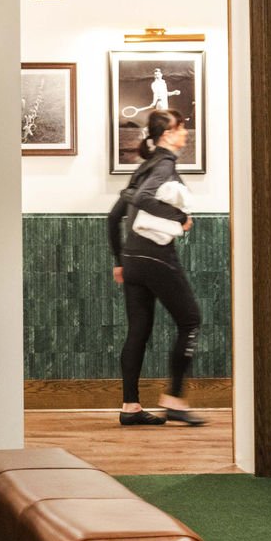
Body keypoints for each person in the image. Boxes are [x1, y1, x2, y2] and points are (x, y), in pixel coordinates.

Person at [106, 108, 205, 427]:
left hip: (134, 259)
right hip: (156, 255)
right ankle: (175, 400)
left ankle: (130, 407)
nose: (185, 132)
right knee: (190, 320)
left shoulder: (144, 166)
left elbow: (112, 217)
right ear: (167, 134)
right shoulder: (164, 163)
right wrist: (180, 218)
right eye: (181, 127)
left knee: (138, 331)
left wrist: (120, 261)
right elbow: (146, 199)